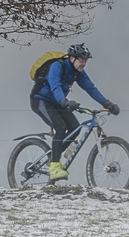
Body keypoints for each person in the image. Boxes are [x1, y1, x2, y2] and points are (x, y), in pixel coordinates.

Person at [29, 43, 119, 182]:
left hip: (58, 102)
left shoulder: (78, 73)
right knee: (60, 127)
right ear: (72, 59)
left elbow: (91, 88)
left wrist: (107, 103)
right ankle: (54, 168)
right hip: (40, 100)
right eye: (81, 60)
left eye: (85, 60)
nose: (83, 63)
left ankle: (54, 156)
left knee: (74, 129)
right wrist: (65, 101)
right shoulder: (57, 66)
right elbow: (55, 86)